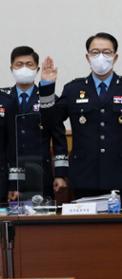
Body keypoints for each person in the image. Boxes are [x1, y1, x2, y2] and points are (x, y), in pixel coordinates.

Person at [38, 32, 122, 205]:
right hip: (84, 175)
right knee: (85, 230)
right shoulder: (73, 89)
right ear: (87, 57)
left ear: (115, 57)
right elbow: (50, 122)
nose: (101, 57)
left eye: (106, 52)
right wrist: (47, 87)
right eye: (95, 52)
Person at [0, 46, 67, 199]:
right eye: (19, 64)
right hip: (7, 176)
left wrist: (61, 175)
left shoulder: (48, 99)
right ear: (11, 68)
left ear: (37, 69)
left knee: (41, 220)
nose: (24, 68)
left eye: (29, 64)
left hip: (40, 172)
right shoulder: (3, 99)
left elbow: (59, 138)